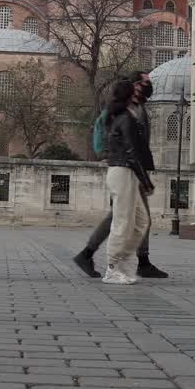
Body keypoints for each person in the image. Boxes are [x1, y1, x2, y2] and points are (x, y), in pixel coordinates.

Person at [74, 71, 169, 279]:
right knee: (131, 218)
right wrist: (106, 154)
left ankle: (93, 255)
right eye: (145, 82)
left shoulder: (138, 108)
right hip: (126, 168)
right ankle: (129, 262)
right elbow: (104, 130)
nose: (149, 85)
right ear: (135, 85)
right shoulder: (122, 110)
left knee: (128, 217)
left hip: (133, 168)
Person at [95, 78, 151, 284]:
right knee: (122, 222)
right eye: (135, 90)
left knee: (141, 221)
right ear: (129, 95)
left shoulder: (124, 115)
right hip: (122, 171)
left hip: (127, 172)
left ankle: (124, 263)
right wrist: (145, 180)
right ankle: (112, 268)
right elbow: (131, 151)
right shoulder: (124, 118)